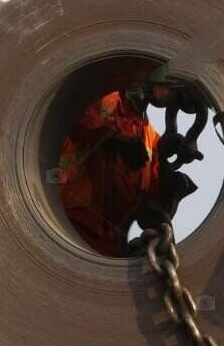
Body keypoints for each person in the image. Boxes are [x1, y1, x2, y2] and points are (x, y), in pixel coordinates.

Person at [58, 70, 196, 258]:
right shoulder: (107, 98)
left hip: (109, 245)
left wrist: (170, 188)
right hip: (72, 220)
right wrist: (117, 139)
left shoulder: (150, 139)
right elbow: (73, 119)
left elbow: (149, 207)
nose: (171, 96)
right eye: (170, 87)